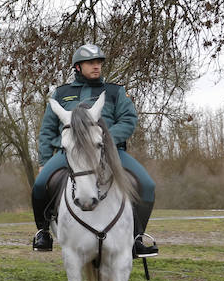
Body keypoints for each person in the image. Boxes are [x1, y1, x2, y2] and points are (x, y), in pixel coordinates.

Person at [31, 44, 158, 258]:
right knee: (39, 185)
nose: (97, 67)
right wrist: (44, 160)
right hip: (70, 154)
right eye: (91, 63)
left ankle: (137, 237)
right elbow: (47, 130)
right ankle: (43, 232)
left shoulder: (115, 91)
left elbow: (128, 121)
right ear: (78, 67)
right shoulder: (62, 93)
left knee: (147, 185)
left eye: (99, 62)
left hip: (111, 151)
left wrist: (105, 138)